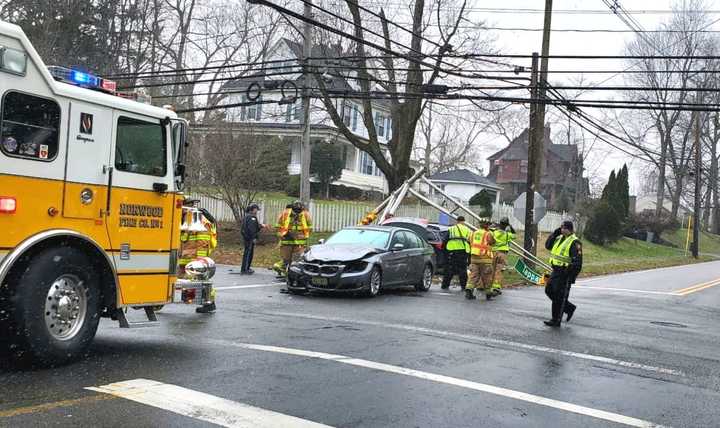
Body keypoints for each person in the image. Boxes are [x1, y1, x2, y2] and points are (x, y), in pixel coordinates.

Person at [543, 220, 583, 327]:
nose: (561, 229)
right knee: (549, 290)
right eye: (560, 228)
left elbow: (577, 262)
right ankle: (569, 308)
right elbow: (548, 246)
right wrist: (554, 234)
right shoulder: (560, 238)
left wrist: (570, 275)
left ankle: (556, 320)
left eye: (563, 228)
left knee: (559, 297)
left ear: (568, 229)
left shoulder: (575, 242)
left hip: (565, 273)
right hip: (555, 271)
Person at [272, 200, 313, 276]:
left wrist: (303, 236)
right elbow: (277, 226)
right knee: (286, 260)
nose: (297, 213)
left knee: (297, 261)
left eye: (299, 211)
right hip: (286, 241)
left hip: (299, 243)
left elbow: (310, 228)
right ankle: (286, 272)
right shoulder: (286, 213)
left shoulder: (305, 215)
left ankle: (292, 274)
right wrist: (282, 235)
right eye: (295, 210)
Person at [466, 218, 496, 300]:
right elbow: (493, 242)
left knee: (473, 275)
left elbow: (468, 241)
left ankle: (469, 289)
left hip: (474, 258)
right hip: (485, 259)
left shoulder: (473, 233)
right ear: (486, 225)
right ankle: (488, 294)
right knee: (487, 277)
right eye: (488, 225)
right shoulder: (488, 234)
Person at [441, 216, 472, 290]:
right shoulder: (468, 230)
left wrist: (444, 250)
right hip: (463, 252)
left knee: (450, 269)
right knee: (462, 270)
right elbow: (470, 242)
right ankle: (464, 286)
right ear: (464, 221)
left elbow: (445, 240)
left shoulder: (451, 229)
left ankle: (445, 285)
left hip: (452, 251)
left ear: (457, 221)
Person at [491, 217, 516, 296]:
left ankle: (488, 286)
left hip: (493, 252)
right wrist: (511, 226)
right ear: (506, 225)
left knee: (492, 269)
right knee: (499, 270)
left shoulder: (494, 232)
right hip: (502, 253)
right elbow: (514, 235)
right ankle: (496, 287)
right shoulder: (507, 234)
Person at [240, 203, 265, 274]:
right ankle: (245, 269)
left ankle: (246, 268)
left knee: (247, 253)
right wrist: (254, 237)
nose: (257, 211)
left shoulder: (247, 216)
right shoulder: (252, 217)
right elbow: (252, 229)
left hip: (246, 237)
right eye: (256, 209)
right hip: (249, 238)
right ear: (254, 209)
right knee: (248, 254)